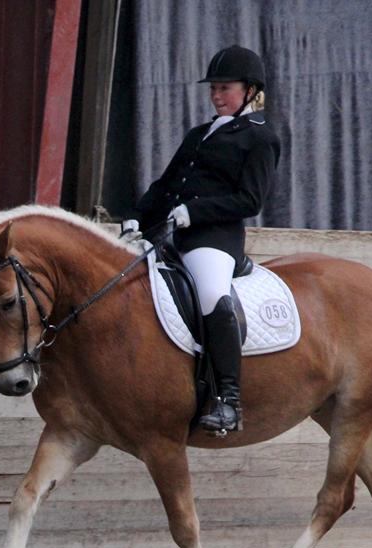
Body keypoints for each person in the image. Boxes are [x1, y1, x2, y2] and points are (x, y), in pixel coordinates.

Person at [123, 44, 280, 433]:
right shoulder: (199, 134)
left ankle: (228, 399)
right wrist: (136, 219)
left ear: (250, 90)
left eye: (225, 88)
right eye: (214, 89)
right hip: (171, 235)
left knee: (212, 293)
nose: (216, 95)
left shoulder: (260, 137)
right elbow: (165, 185)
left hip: (214, 239)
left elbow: (250, 199)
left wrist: (195, 212)